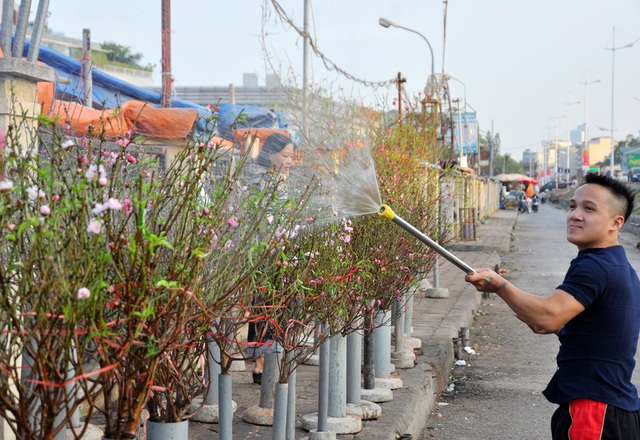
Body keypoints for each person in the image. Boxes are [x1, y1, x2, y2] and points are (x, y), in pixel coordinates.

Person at [465, 172, 640, 439]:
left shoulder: (596, 266)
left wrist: (499, 285)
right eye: (573, 206)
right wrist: (562, 329)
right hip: (606, 406)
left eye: (589, 209)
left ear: (616, 223)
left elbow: (549, 316)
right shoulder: (615, 264)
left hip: (594, 410)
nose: (575, 214)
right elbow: (601, 332)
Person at [247, 132, 295, 384]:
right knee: (262, 307)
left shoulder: (278, 179)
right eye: (286, 156)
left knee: (270, 307)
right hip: (263, 253)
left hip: (276, 252)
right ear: (271, 155)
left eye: (292, 156)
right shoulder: (262, 180)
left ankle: (264, 360)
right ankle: (259, 364)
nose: (290, 161)